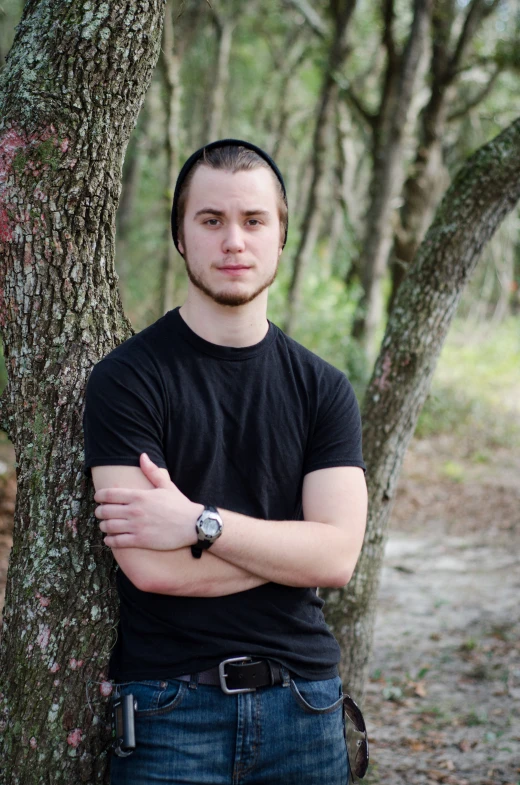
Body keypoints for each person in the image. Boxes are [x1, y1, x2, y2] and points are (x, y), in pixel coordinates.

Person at [83, 139, 368, 785]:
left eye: (253, 220)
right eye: (210, 221)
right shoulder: (127, 380)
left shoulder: (323, 388)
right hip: (169, 709)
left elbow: (337, 559)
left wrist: (199, 523)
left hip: (306, 704)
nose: (233, 241)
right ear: (181, 236)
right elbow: (151, 567)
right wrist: (289, 551)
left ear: (281, 234)